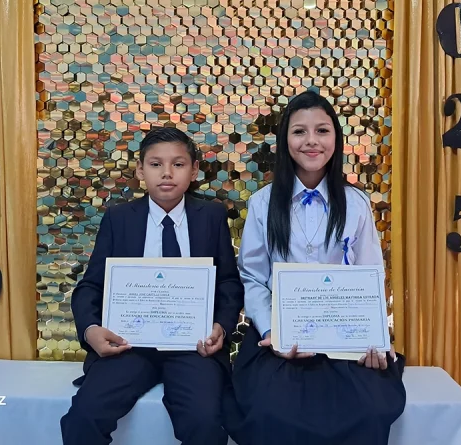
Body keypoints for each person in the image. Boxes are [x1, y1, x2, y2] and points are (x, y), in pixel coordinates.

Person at [224, 90, 407, 445]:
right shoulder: (263, 203)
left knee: (369, 409)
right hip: (280, 338)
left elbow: (370, 274)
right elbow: (252, 276)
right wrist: (271, 331)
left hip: (343, 339)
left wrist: (372, 338)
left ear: (336, 139)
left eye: (322, 131)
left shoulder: (356, 203)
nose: (311, 141)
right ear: (285, 140)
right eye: (299, 132)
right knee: (268, 411)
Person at [60, 127, 244, 445]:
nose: (167, 173)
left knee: (204, 422)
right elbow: (90, 286)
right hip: (128, 345)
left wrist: (221, 327)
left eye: (178, 163)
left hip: (194, 347)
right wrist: (91, 330)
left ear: (194, 170)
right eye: (156, 164)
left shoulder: (211, 216)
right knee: (84, 416)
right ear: (140, 170)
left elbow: (228, 281)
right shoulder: (119, 218)